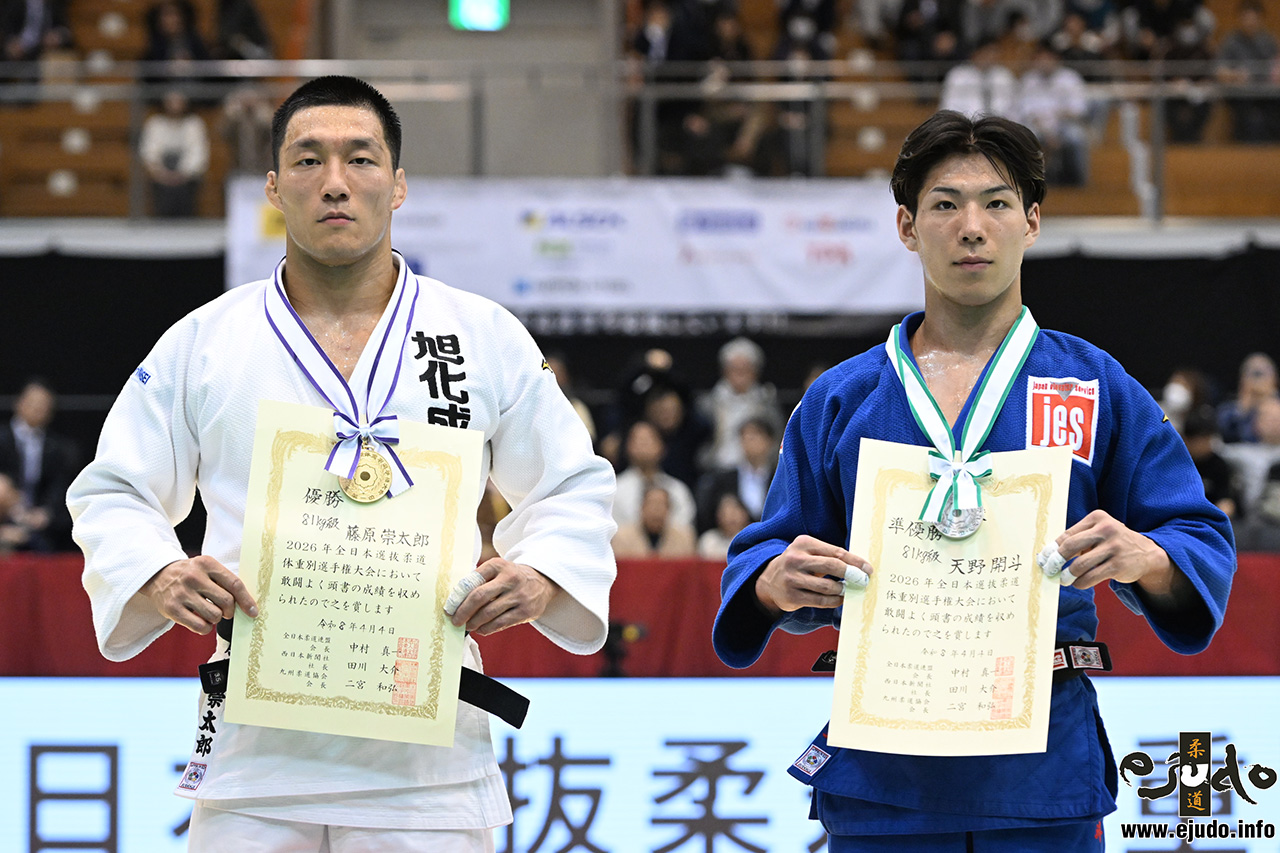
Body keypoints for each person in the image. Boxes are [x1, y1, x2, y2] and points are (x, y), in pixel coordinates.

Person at [67, 75, 617, 852]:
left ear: (398, 185)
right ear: (273, 187)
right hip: (256, 758)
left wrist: (543, 573)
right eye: (307, 160)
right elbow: (114, 488)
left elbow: (571, 484)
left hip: (427, 762)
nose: (334, 182)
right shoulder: (206, 341)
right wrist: (158, 571)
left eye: (360, 159)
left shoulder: (480, 335)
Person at [711, 110, 1235, 849]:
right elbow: (764, 554)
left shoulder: (1093, 385)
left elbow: (1197, 536)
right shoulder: (841, 399)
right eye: (945, 205)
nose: (972, 228)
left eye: (996, 203)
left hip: (1040, 768)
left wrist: (1148, 557)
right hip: (883, 772)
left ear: (1032, 222)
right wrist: (773, 582)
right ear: (906, 226)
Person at [0, 378, 77, 551]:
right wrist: (12, 510)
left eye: (43, 405)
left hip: (38, 523)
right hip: (6, 515)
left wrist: (45, 513)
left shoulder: (58, 448)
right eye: (32, 403)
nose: (37, 409)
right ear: (18, 403)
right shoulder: (2, 439)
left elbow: (59, 487)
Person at [612, 419, 697, 530]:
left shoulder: (678, 489)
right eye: (638, 440)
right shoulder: (615, 489)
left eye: (649, 440)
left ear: (662, 446)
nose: (643, 445)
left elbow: (685, 526)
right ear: (627, 447)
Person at [139, 88, 210, 217]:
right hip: (161, 179)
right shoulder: (155, 123)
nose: (175, 105)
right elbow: (149, 153)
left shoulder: (194, 124)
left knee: (185, 203)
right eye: (171, 101)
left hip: (187, 180)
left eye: (179, 101)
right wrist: (163, 174)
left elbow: (198, 154)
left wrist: (182, 174)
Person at [611, 485, 698, 558]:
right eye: (652, 504)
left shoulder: (684, 537)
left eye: (662, 504)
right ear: (642, 507)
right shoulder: (622, 537)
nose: (656, 510)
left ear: (669, 509)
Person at [1218, 351, 1279, 443]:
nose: (1258, 380)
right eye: (1254, 374)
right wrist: (1243, 409)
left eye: (1262, 374)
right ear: (1242, 379)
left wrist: (1271, 402)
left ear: (1274, 377)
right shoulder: (1229, 410)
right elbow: (1223, 433)